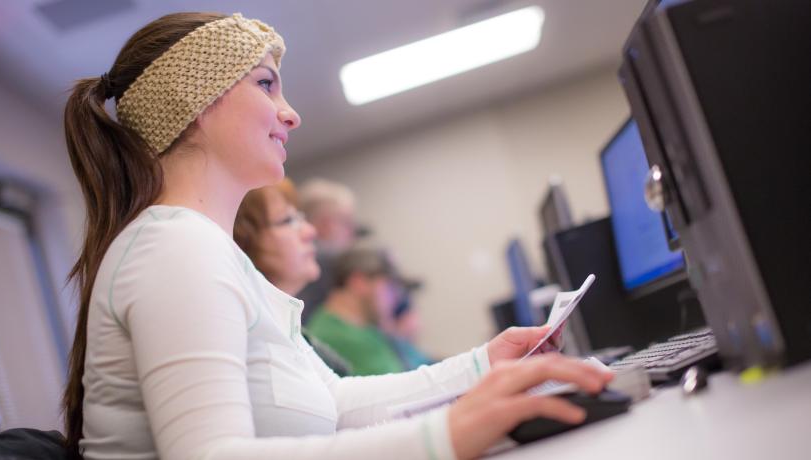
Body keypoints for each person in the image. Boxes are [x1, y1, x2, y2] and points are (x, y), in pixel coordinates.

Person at [62, 11, 612, 460]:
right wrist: (443, 437)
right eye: (265, 84)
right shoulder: (173, 248)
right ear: (194, 102)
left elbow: (334, 400)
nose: (291, 113)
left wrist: (481, 366)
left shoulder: (206, 250)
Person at [233, 178, 353, 375]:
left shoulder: (290, 332)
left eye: (301, 218)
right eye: (288, 220)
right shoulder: (250, 341)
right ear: (243, 238)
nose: (310, 231)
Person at [307, 246, 434, 375]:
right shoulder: (341, 338)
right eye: (389, 288)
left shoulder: (364, 329)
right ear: (359, 283)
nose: (394, 299)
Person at [296, 178, 362, 322]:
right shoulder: (328, 263)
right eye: (345, 221)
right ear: (324, 223)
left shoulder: (293, 261)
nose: (351, 230)